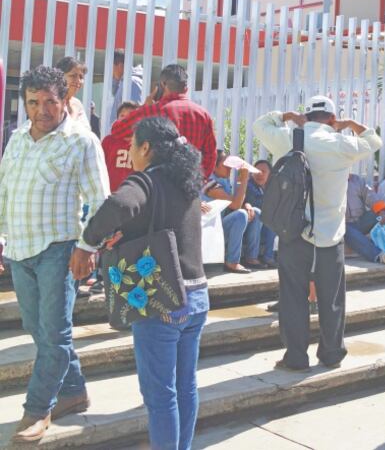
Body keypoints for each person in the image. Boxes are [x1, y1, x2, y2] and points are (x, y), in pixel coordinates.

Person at [73, 117, 206, 450]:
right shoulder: (186, 183)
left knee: (160, 395)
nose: (130, 151)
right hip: (197, 297)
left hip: (161, 299)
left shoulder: (148, 181)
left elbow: (120, 203)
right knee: (185, 387)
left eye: (133, 145)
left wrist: (86, 243)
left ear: (146, 148)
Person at [0, 66, 110, 443]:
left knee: (55, 333)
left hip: (59, 251)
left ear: (65, 100)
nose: (42, 109)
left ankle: (37, 408)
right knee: (38, 330)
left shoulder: (81, 141)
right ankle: (74, 391)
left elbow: (100, 202)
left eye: (50, 101)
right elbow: (4, 190)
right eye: (34, 102)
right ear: (25, 104)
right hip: (18, 250)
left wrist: (86, 247)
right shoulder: (16, 139)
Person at [253, 96, 382, 372]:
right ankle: (332, 353)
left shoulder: (288, 137)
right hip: (330, 236)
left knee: (292, 296)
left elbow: (260, 125)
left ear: (306, 116)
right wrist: (351, 124)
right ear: (332, 119)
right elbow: (374, 141)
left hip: (294, 233)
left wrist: (285, 115)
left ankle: (296, 357)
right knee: (331, 298)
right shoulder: (342, 144)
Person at [111, 64, 217, 180]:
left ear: (162, 85)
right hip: (188, 188)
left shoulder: (155, 110)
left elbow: (117, 130)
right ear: (186, 88)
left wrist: (144, 107)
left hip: (159, 185)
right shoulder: (204, 115)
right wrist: (197, 181)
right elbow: (210, 156)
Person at [204, 151, 264, 273]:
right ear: (214, 166)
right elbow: (236, 205)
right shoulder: (209, 183)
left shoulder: (223, 180)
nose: (230, 168)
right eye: (226, 165)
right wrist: (244, 179)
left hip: (221, 228)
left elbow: (234, 202)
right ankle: (232, 261)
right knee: (241, 214)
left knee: (256, 212)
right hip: (211, 230)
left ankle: (251, 258)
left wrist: (246, 204)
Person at [344, 172, 385, 265]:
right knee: (345, 230)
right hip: (344, 225)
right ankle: (380, 255)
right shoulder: (330, 183)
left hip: (362, 222)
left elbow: (371, 197)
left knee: (383, 215)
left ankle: (360, 242)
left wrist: (381, 212)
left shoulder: (357, 180)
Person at [102, 100, 141, 192]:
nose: (125, 119)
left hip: (131, 192)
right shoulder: (109, 141)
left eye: (130, 116)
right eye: (122, 116)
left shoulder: (141, 143)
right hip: (109, 191)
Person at [246, 160, 277, 267]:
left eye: (263, 171)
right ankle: (252, 257)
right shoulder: (249, 185)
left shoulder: (272, 188)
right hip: (249, 228)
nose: (259, 174)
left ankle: (268, 257)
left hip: (264, 229)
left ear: (270, 174)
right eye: (257, 171)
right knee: (259, 212)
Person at [55, 56, 90, 128]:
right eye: (73, 76)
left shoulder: (77, 103)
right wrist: (74, 112)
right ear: (60, 77)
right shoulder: (52, 103)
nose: (78, 81)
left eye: (81, 77)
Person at [109, 49, 144, 120]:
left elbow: (134, 112)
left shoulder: (131, 83)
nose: (110, 72)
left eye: (111, 67)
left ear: (120, 66)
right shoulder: (124, 82)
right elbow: (115, 94)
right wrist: (115, 80)